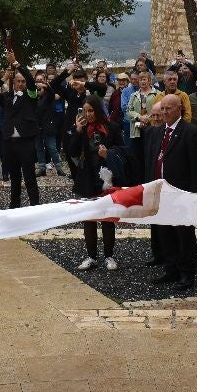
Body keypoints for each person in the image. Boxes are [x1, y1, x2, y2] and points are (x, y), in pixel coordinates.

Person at [144, 91, 197, 292]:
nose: (165, 112)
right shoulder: (157, 132)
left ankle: (187, 272)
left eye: (169, 108)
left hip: (181, 192)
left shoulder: (191, 132)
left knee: (183, 234)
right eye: (163, 108)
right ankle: (171, 268)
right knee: (165, 232)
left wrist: (194, 195)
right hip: (160, 192)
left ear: (179, 109)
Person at [69, 95, 125, 271]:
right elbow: (71, 151)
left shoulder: (112, 127)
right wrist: (78, 131)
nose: (88, 114)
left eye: (91, 110)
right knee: (89, 217)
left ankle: (109, 255)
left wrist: (108, 154)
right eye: (85, 111)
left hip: (106, 175)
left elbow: (122, 150)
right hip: (87, 175)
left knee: (107, 217)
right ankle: (91, 256)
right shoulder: (82, 129)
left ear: (98, 110)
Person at [0, 52, 41, 208]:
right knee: (15, 177)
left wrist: (16, 63)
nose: (21, 84)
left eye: (22, 81)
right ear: (14, 82)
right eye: (18, 81)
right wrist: (3, 78)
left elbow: (31, 81)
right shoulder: (7, 96)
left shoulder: (31, 96)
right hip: (9, 141)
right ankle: (14, 206)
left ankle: (35, 205)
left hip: (25, 141)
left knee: (29, 176)